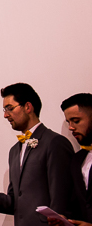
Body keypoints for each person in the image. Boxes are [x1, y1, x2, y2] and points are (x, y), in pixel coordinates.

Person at [0, 83, 85, 225]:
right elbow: (15, 201)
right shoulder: (14, 151)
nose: (5, 115)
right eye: (4, 109)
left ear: (27, 107)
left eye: (10, 108)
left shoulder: (55, 142)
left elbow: (61, 198)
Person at [49, 94, 92, 226]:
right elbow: (78, 203)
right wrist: (65, 219)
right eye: (68, 122)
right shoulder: (77, 159)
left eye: (76, 121)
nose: (71, 127)